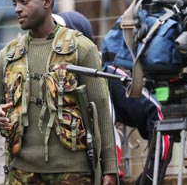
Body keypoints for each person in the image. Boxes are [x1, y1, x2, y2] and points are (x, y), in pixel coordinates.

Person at [0, 0, 118, 185]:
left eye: (24, 2)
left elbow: (101, 109)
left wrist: (110, 167)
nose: (17, 9)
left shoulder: (81, 48)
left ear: (47, 2)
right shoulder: (8, 54)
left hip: (73, 173)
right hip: (21, 172)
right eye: (15, 3)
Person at [54, 10, 170, 185]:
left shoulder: (106, 76)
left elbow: (158, 119)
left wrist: (149, 178)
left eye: (61, 32)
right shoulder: (46, 75)